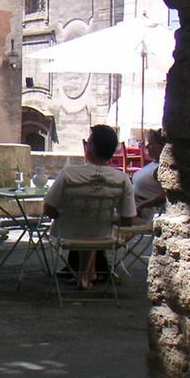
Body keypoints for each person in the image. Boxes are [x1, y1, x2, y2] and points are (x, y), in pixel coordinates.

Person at [43, 124, 137, 289]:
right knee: (95, 228)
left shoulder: (69, 173)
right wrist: (107, 217)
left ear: (90, 148)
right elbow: (128, 220)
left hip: (68, 233)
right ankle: (87, 274)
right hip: (102, 236)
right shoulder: (122, 179)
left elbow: (48, 210)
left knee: (86, 225)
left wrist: (63, 215)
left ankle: (85, 275)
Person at [133, 128, 167, 220]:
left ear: (162, 146)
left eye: (151, 144)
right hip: (133, 204)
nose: (147, 147)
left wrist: (142, 205)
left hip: (141, 210)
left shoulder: (161, 168)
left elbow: (164, 196)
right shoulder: (153, 164)